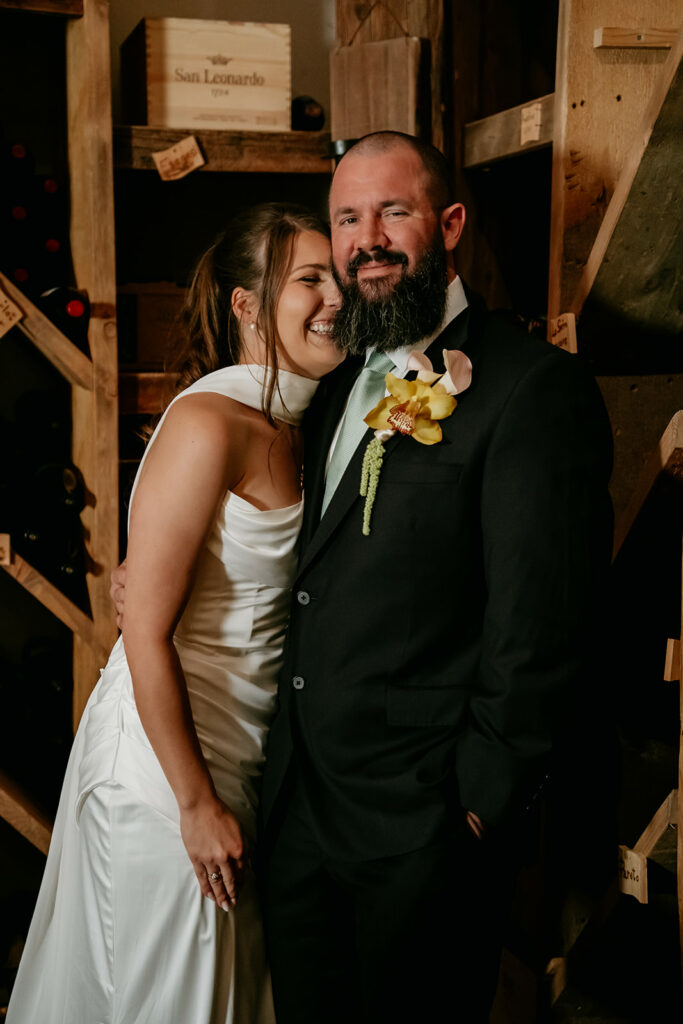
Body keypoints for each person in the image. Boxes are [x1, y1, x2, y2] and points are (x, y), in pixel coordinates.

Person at [257, 132, 614, 1023]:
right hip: (299, 813)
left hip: (425, 830)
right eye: (346, 218)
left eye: (392, 211)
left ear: (448, 223)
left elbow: (542, 621)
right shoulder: (331, 384)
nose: (366, 238)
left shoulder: (530, 389)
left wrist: (477, 809)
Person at [6, 203, 343, 1024]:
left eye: (336, 276)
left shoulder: (302, 424)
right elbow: (145, 628)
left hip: (242, 759)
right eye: (308, 279)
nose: (335, 295)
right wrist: (193, 804)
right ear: (246, 305)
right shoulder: (207, 422)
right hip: (164, 772)